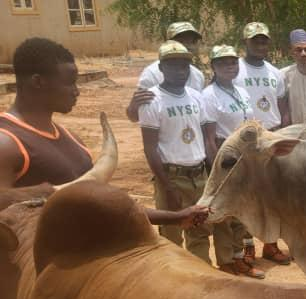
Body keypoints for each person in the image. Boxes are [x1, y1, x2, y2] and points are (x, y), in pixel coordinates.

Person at [0, 37, 204, 229]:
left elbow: (96, 203)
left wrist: (176, 217)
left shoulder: (72, 139)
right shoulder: (7, 142)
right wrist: (46, 193)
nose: (76, 91)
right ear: (38, 82)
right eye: (70, 82)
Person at [138, 41, 231, 264]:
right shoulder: (152, 100)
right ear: (161, 68)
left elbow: (207, 140)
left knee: (199, 230)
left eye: (184, 65)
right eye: (173, 66)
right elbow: (150, 148)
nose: (180, 71)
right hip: (171, 176)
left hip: (199, 176)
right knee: (171, 235)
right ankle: (174, 285)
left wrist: (214, 176)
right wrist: (167, 187)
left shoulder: (196, 96)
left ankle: (202, 279)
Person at [200, 44, 265, 278]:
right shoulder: (208, 96)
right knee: (224, 216)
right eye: (223, 63)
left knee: (242, 213)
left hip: (245, 161)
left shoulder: (242, 92)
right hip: (225, 161)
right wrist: (216, 168)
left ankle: (240, 259)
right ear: (214, 67)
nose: (230, 66)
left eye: (233, 62)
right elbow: (209, 137)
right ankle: (226, 263)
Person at [236, 22, 291, 264]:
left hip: (272, 138)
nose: (260, 45)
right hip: (246, 142)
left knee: (272, 196)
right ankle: (247, 247)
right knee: (246, 196)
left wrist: (283, 133)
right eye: (255, 41)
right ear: (245, 43)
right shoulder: (234, 69)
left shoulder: (274, 73)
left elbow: (282, 106)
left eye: (263, 41)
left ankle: (270, 245)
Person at [126, 21, 205, 123]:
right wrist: (133, 106)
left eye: (192, 42)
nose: (188, 46)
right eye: (182, 41)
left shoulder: (198, 76)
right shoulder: (152, 74)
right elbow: (135, 117)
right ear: (169, 43)